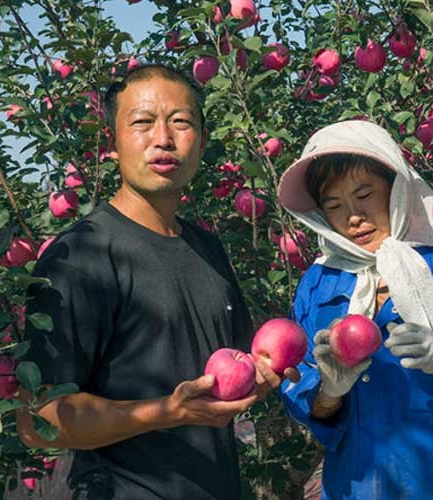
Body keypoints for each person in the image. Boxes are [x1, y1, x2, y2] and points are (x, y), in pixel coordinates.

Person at [16, 64, 297, 500]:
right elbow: (39, 420)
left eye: (181, 122)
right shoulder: (80, 258)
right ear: (113, 143)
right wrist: (166, 411)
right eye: (143, 123)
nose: (163, 139)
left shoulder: (207, 248)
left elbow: (232, 364)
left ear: (201, 142)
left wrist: (262, 376)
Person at [276, 120, 433, 499]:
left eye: (365, 195)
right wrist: (329, 392)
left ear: (398, 189)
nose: (353, 217)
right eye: (334, 205)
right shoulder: (318, 285)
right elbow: (298, 391)